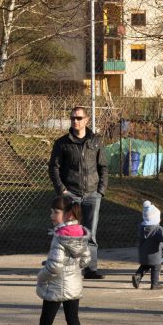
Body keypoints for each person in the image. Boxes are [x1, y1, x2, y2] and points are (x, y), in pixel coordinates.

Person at [8, 196, 91, 325]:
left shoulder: (60, 236)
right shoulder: (80, 233)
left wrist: (41, 276)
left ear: (68, 214)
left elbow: (54, 267)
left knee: (45, 323)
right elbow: (85, 260)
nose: (52, 215)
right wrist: (72, 268)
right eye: (51, 211)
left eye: (56, 212)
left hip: (55, 285)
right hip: (73, 284)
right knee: (73, 319)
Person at [48, 106, 108, 280]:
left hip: (92, 194)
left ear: (87, 120)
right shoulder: (62, 143)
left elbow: (103, 167)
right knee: (68, 231)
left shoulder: (96, 141)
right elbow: (54, 168)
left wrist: (100, 191)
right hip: (71, 194)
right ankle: (67, 267)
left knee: (90, 233)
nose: (75, 121)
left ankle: (90, 268)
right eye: (73, 118)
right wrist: (62, 190)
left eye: (79, 118)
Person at [132, 201, 163, 290]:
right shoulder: (158, 229)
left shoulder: (141, 227)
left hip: (143, 254)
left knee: (144, 266)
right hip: (155, 255)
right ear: (155, 218)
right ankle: (155, 284)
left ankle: (137, 276)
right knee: (156, 268)